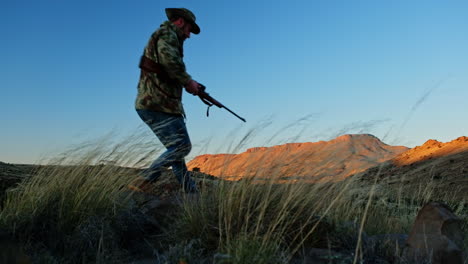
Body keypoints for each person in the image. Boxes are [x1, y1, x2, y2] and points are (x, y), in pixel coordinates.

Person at [129, 8, 201, 194]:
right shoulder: (168, 35)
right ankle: (146, 178)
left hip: (152, 104)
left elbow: (166, 67)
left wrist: (190, 83)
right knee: (182, 146)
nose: (189, 35)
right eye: (188, 29)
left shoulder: (165, 36)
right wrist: (188, 82)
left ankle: (191, 193)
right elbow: (170, 62)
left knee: (175, 152)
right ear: (180, 22)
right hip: (159, 104)